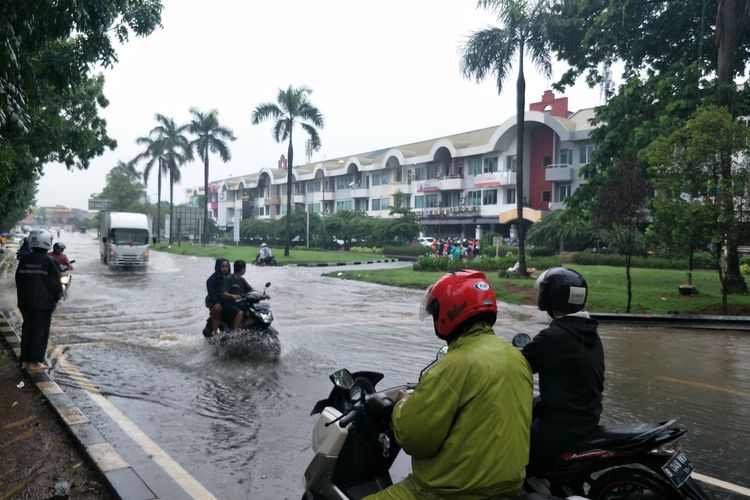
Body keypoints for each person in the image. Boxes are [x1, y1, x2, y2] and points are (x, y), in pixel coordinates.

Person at [366, 270, 533, 500]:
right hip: (509, 488)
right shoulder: (516, 358)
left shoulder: (452, 366)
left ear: (450, 311)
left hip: (446, 492)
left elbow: (416, 439)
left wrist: (401, 406)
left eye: (435, 312)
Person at [521, 267, 605, 473]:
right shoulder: (588, 331)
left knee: (512, 455)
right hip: (587, 418)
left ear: (550, 296)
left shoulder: (553, 337)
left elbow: (516, 366)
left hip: (560, 427)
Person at [15, 229, 63, 372]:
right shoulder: (49, 261)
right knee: (40, 332)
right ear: (48, 242)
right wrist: (56, 299)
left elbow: (18, 280)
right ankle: (35, 363)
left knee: (28, 329)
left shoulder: (24, 260)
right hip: (43, 305)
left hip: (25, 303)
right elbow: (55, 284)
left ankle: (25, 360)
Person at [204, 258, 244, 336]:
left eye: (227, 266)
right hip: (215, 301)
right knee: (217, 308)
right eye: (222, 266)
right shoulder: (211, 280)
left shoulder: (231, 277)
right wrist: (220, 301)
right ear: (218, 267)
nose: (225, 269)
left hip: (229, 300)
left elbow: (240, 286)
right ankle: (215, 332)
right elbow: (212, 294)